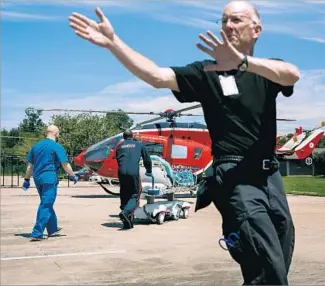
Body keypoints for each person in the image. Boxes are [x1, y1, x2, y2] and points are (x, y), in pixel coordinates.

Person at [69, 1, 299, 284]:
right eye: (223, 20)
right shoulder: (206, 72)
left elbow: (292, 74)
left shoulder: (268, 71)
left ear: (257, 29)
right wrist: (113, 42)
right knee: (266, 261)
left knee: (281, 248)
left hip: (270, 175)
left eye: (236, 20)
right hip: (234, 175)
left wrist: (244, 63)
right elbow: (157, 76)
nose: (228, 25)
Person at [22, 125, 79, 242]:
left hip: (38, 179)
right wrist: (72, 175)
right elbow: (65, 164)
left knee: (46, 202)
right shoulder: (56, 146)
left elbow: (30, 166)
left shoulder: (36, 146)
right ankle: (37, 233)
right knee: (46, 204)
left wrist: (27, 179)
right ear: (56, 134)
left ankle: (52, 229)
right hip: (49, 178)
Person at [115, 129, 152, 229]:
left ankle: (126, 220)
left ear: (124, 137)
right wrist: (149, 170)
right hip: (133, 173)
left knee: (124, 193)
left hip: (121, 173)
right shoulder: (139, 145)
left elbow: (118, 159)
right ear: (132, 136)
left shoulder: (119, 146)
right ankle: (125, 212)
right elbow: (147, 160)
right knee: (135, 196)